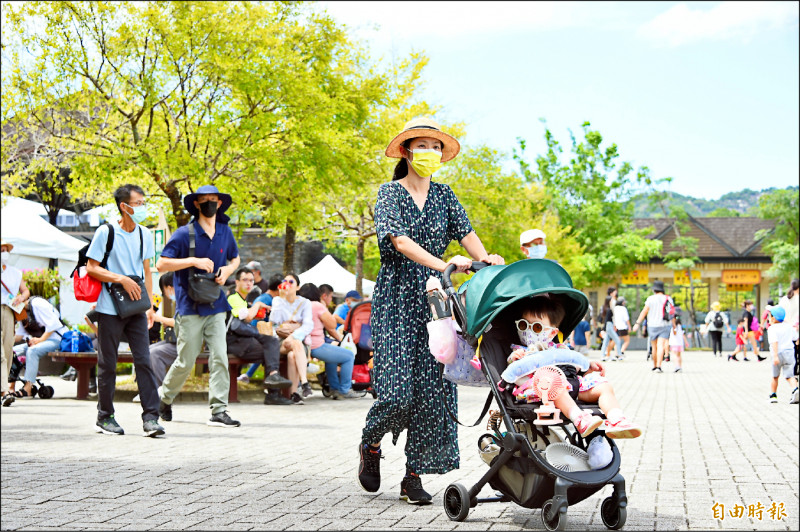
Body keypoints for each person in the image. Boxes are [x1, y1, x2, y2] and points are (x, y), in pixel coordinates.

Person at [357, 117, 505, 505]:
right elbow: (400, 242)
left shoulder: (444, 194)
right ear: (406, 151)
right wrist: (443, 265)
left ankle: (412, 476)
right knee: (396, 393)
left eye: (436, 147)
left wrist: (485, 258)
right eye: (422, 146)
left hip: (437, 304)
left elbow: (467, 233)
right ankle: (370, 443)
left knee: (432, 391)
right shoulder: (390, 193)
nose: (431, 153)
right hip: (395, 302)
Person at [156, 184, 241, 428]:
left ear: (220, 202)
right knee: (186, 360)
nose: (209, 203)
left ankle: (218, 410)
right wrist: (193, 260)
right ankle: (164, 398)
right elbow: (161, 264)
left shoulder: (225, 231)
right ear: (196, 204)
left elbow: (235, 258)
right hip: (190, 306)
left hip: (216, 304)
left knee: (220, 357)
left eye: (213, 199)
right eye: (204, 200)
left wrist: (227, 269)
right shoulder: (184, 233)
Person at [499, 296, 642, 442]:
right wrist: (515, 359)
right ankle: (579, 419)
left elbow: (572, 361)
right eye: (523, 325)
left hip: (572, 384)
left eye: (536, 327)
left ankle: (616, 419)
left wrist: (588, 365)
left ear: (552, 333)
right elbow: (513, 372)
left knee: (603, 385)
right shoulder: (519, 351)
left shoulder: (559, 348)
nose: (528, 331)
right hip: (544, 391)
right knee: (554, 386)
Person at [84, 184, 164, 437]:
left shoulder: (144, 234)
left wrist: (150, 305)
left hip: (137, 309)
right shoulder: (105, 232)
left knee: (144, 360)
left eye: (143, 202)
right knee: (108, 363)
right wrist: (121, 279)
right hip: (109, 308)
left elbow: (148, 270)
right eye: (138, 203)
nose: (143, 208)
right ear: (124, 206)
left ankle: (151, 418)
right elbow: (91, 267)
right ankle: (105, 417)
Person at [225, 267, 292, 405]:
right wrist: (258, 304)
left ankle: (273, 382)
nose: (249, 283)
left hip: (243, 339)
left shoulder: (242, 300)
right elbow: (247, 317)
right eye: (245, 280)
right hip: (234, 342)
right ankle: (273, 391)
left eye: (251, 280)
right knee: (272, 351)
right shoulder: (233, 298)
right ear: (237, 282)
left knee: (271, 342)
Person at [297, 283, 359, 399]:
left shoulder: (300, 304)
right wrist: (324, 307)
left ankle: (334, 388)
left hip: (303, 345)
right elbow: (332, 324)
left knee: (332, 357)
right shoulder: (317, 305)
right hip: (316, 345)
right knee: (349, 356)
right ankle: (345, 389)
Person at [6, 296, 67, 399]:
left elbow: (53, 324)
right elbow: (19, 336)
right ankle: (10, 387)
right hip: (41, 341)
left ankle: (28, 388)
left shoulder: (37, 303)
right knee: (13, 351)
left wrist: (40, 340)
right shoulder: (22, 315)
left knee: (32, 351)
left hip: (58, 339)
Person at [268, 272, 314, 404]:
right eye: (285, 281)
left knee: (292, 355)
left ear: (298, 287)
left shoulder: (305, 303)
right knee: (295, 345)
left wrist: (294, 335)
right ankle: (305, 382)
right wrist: (281, 300)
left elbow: (308, 325)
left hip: (297, 340)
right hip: (281, 341)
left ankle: (294, 393)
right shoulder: (277, 300)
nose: (287, 285)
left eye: (291, 282)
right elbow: (274, 321)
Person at [1, 239, 30, 407]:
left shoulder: (14, 272)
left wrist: (22, 297)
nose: (4, 253)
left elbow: (25, 290)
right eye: (1, 250)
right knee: (1, 355)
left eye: (6, 250)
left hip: (10, 312)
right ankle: (5, 391)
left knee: (7, 351)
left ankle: (3, 389)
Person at [239, 272, 283, 382]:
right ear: (278, 289)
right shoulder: (269, 301)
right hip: (257, 332)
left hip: (252, 331)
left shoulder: (262, 297)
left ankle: (248, 374)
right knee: (271, 346)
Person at [631, 280, 673, 372]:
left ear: (654, 289)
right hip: (664, 325)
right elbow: (672, 313)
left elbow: (644, 311)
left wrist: (637, 323)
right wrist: (674, 326)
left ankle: (654, 366)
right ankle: (659, 366)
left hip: (652, 325)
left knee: (654, 346)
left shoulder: (650, 299)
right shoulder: (668, 298)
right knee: (661, 345)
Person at [764, 306, 799, 404]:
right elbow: (796, 337)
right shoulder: (788, 327)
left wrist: (775, 356)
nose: (768, 318)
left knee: (775, 376)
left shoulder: (772, 329)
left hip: (778, 353)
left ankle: (773, 395)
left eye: (769, 316)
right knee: (789, 375)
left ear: (773, 318)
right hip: (789, 353)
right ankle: (795, 390)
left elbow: (774, 342)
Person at [599, 293, 621, 362]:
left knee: (605, 342)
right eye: (611, 300)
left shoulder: (608, 309)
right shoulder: (609, 310)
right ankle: (619, 355)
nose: (613, 301)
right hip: (609, 326)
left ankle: (603, 356)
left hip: (609, 325)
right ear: (609, 301)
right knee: (617, 340)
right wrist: (605, 329)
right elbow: (607, 320)